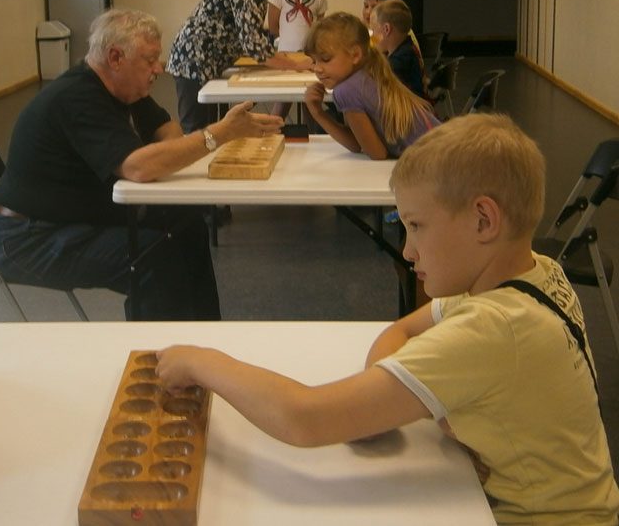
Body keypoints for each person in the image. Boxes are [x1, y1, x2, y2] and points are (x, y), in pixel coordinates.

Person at [155, 114, 619, 524]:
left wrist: (202, 362)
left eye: (416, 226)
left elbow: (303, 418)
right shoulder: (534, 272)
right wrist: (385, 401)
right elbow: (403, 329)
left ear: (483, 220)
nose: (408, 251)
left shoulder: (493, 328)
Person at [0, 8, 283, 321]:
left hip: (65, 220)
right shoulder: (76, 98)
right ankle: (160, 350)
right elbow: (138, 168)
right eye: (149, 60)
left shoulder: (123, 88)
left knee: (188, 225)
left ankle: (204, 337)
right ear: (115, 57)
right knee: (154, 257)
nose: (158, 69)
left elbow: (169, 132)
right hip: (24, 237)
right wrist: (217, 134)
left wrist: (158, 158)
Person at [166, 0, 313, 133]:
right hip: (195, 60)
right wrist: (296, 65)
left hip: (202, 61)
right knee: (197, 133)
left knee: (208, 132)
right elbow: (254, 45)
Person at [303, 12, 440, 160]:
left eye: (325, 59)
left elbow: (377, 153)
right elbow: (356, 144)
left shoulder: (347, 90)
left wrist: (318, 113)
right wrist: (318, 112)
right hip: (443, 146)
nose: (317, 69)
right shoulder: (365, 75)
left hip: (438, 158)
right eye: (314, 61)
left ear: (355, 55)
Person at [267, 0, 327, 119]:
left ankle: (313, 133)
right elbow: (273, 26)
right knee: (283, 101)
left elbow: (320, 31)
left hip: (309, 57)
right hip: (286, 56)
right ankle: (271, 131)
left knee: (311, 101)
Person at [369, 0, 430, 102]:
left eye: (374, 30)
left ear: (386, 29)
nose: (372, 37)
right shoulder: (407, 48)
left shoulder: (400, 60)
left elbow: (376, 85)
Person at [362, 0, 425, 72]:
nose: (368, 12)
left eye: (375, 7)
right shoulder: (374, 34)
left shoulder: (402, 35)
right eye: (366, 6)